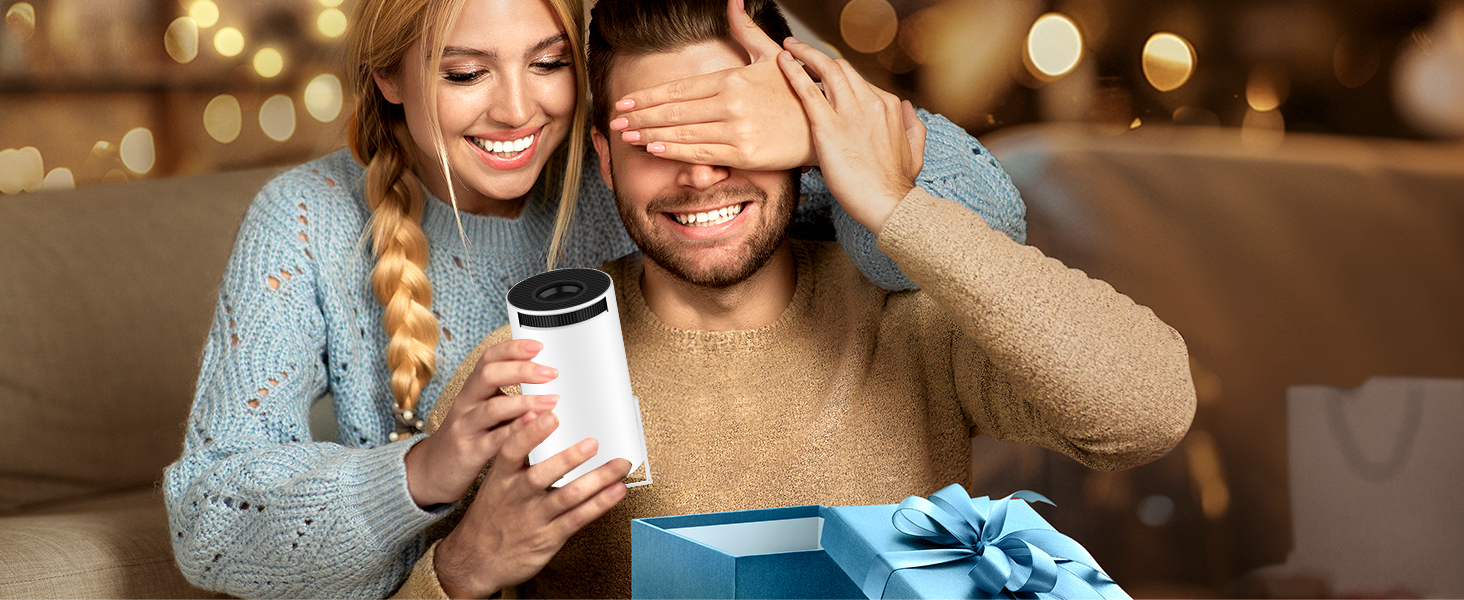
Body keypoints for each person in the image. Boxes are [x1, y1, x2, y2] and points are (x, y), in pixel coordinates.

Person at [161, 0, 1028, 597]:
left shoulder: (641, 173)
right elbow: (211, 519)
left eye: (550, 65)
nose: (516, 111)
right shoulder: (306, 220)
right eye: (465, 74)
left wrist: (806, 107)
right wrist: (425, 472)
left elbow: (989, 229)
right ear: (389, 76)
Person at [397, 0, 1198, 597]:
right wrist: (462, 571)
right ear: (604, 157)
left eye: (730, 133)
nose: (701, 173)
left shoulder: (912, 322)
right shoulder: (533, 367)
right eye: (657, 141)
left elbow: (1146, 410)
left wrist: (888, 199)